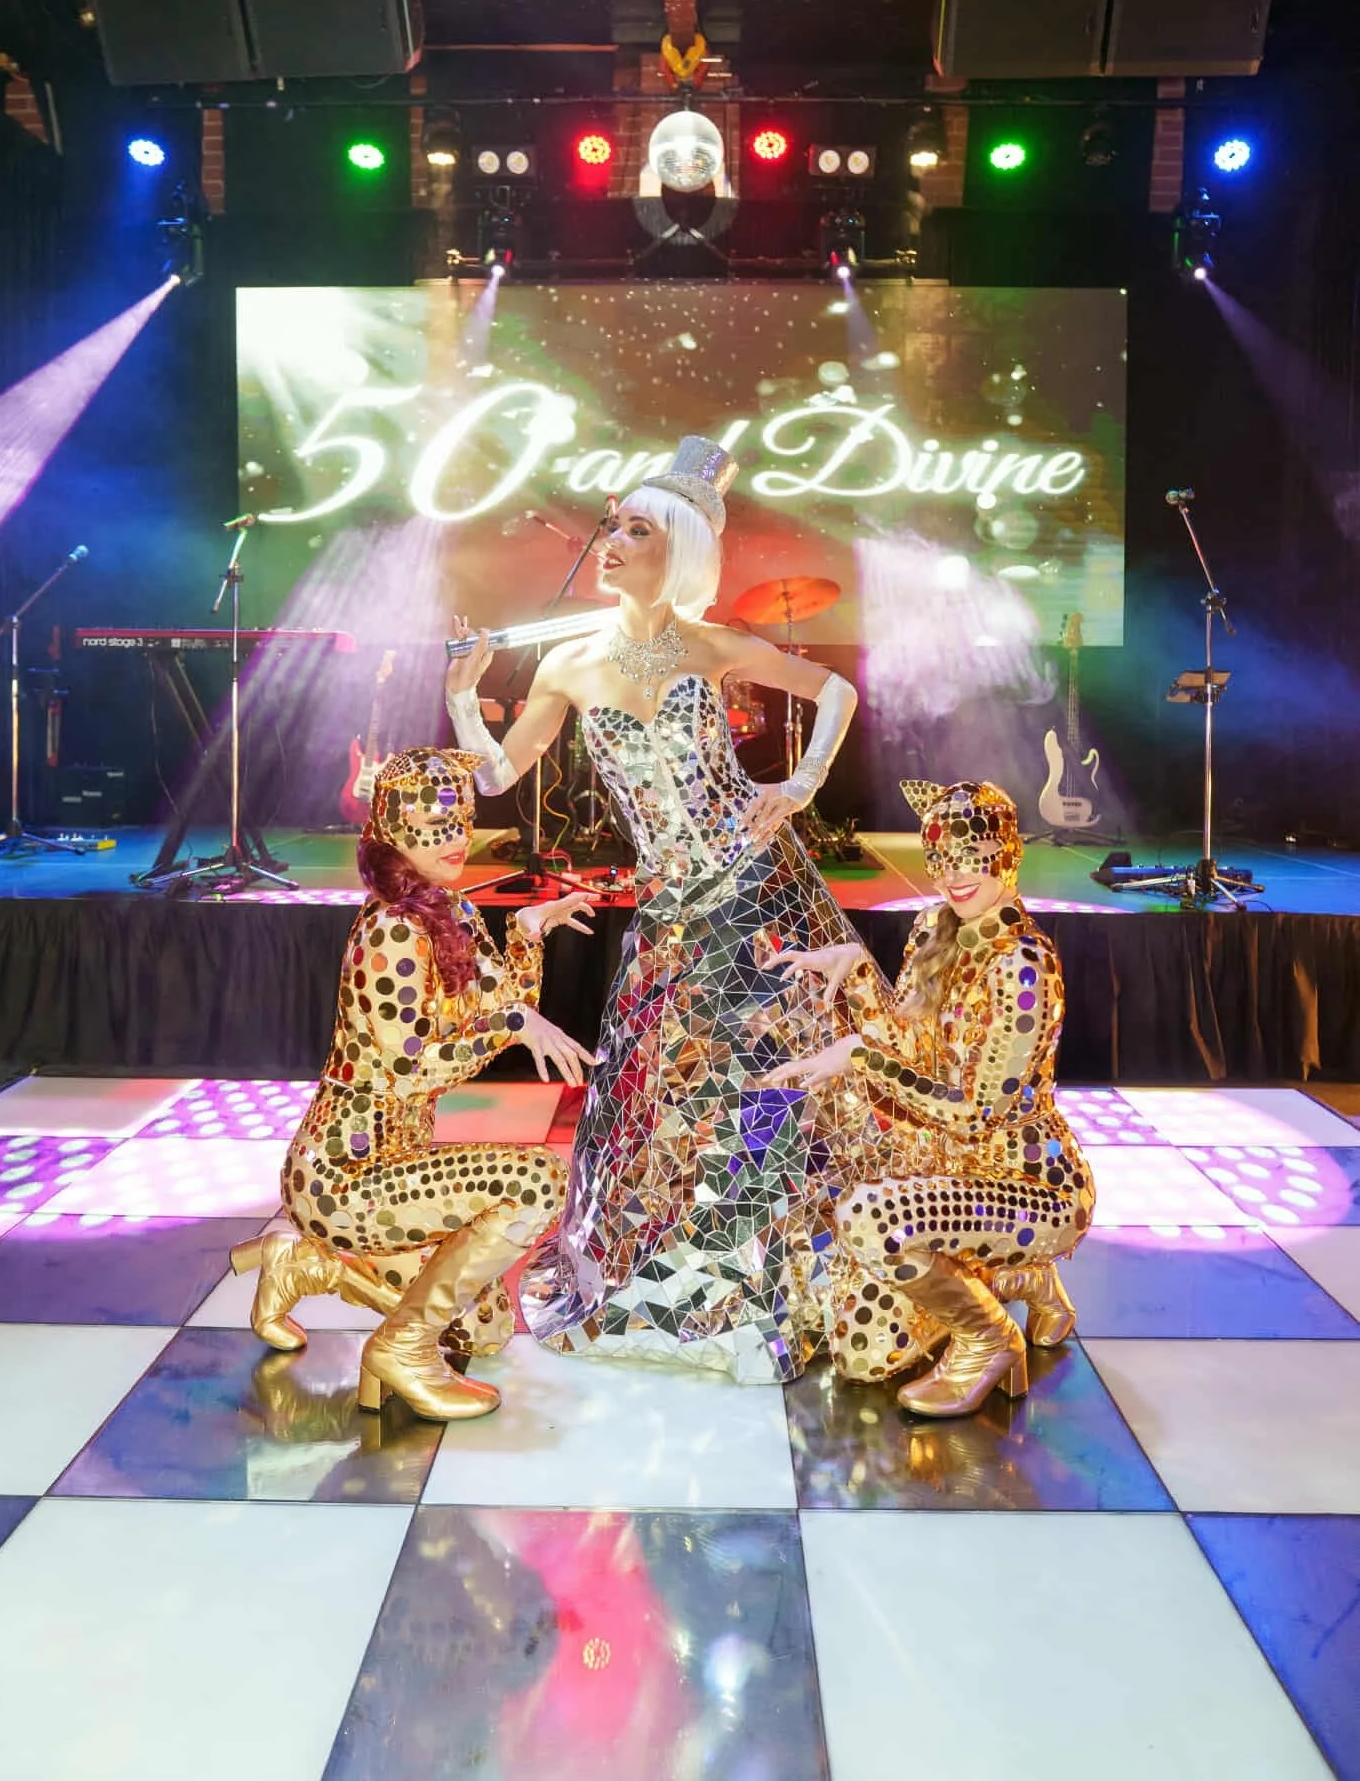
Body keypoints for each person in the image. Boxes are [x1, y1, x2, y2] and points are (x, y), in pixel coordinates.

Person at [443, 435, 886, 1383]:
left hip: (760, 889)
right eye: (612, 525)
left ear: (674, 549)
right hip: (672, 908)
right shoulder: (565, 663)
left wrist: (801, 783)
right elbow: (493, 774)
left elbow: (837, 689)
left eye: (633, 529)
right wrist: (462, 700)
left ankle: (769, 1281)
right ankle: (678, 1278)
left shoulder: (713, 646)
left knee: (766, 1081)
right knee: (661, 1092)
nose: (610, 541)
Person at [229, 746, 595, 1422]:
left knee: (481, 1329)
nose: (454, 837)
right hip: (345, 1174)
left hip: (399, 1164)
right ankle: (401, 1347)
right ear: (392, 831)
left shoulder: (446, 909)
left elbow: (502, 1004)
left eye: (460, 819)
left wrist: (527, 931)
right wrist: (513, 1023)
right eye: (432, 822)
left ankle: (303, 1264)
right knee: (536, 1182)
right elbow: (410, 1069)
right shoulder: (394, 927)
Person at [768, 778, 1095, 1417]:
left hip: (1030, 1187)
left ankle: (987, 1338)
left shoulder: (1023, 965)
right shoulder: (930, 927)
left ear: (1005, 855)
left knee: (870, 1218)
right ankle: (1015, 1279)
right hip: (949, 1177)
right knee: (863, 1355)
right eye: (942, 860)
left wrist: (859, 1057)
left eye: (973, 858)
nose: (956, 876)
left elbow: (975, 1114)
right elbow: (914, 1050)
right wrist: (857, 971)